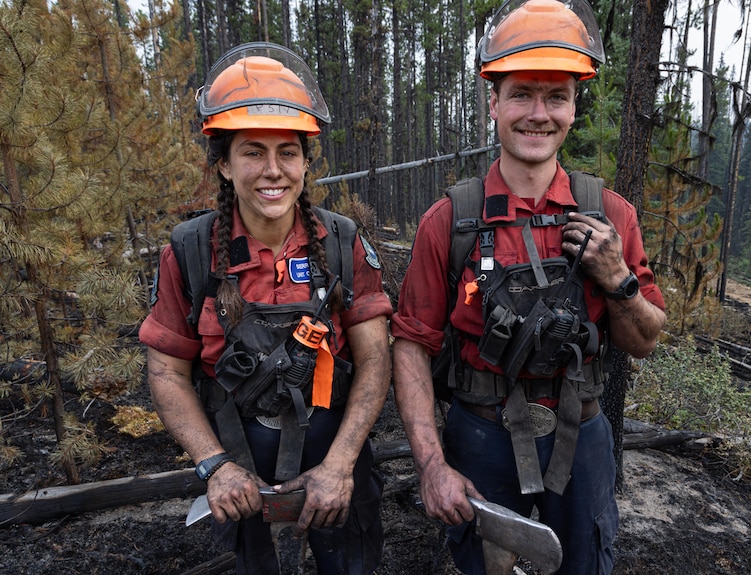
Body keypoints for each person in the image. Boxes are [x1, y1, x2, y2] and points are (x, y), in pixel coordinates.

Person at [391, 0, 667, 573]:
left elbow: (644, 340)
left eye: (556, 97)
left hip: (583, 436)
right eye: (521, 94)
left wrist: (616, 277)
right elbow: (411, 345)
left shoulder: (610, 215)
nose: (537, 114)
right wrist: (432, 465)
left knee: (586, 562)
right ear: (493, 103)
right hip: (480, 436)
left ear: (573, 108)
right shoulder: (450, 221)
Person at [140, 42, 392, 575]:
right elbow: (165, 369)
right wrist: (215, 466)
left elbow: (375, 360)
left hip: (334, 460)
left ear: (305, 162)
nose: (272, 170)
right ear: (226, 166)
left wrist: (341, 464)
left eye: (288, 152)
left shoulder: (343, 243)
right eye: (253, 151)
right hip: (238, 467)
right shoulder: (190, 252)